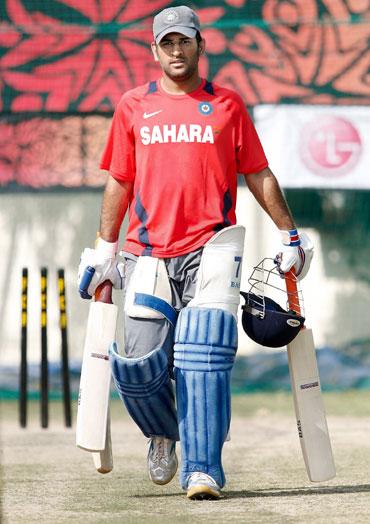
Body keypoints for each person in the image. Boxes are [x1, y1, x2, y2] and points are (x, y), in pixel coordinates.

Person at [78, 5, 314, 500]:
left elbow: (258, 172)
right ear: (155, 51)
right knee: (135, 368)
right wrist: (105, 249)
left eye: (185, 41)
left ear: (200, 46)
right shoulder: (133, 106)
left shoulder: (227, 104)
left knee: (204, 358)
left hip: (212, 246)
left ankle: (203, 469)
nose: (177, 51)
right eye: (167, 43)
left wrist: (289, 235)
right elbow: (119, 179)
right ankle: (166, 432)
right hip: (147, 251)